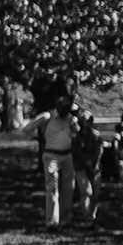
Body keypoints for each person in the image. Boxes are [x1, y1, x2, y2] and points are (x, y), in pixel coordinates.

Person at [24, 96, 78, 229]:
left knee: (68, 188)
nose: (68, 112)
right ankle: (52, 222)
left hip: (67, 155)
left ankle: (66, 219)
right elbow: (27, 129)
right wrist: (39, 137)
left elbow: (77, 133)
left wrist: (75, 125)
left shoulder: (70, 119)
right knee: (52, 188)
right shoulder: (47, 117)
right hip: (51, 155)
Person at [72, 111, 103, 225]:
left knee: (95, 195)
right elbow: (77, 153)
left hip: (95, 168)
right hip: (81, 167)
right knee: (86, 192)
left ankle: (93, 215)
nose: (87, 123)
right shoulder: (76, 137)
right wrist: (86, 163)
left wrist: (94, 164)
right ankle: (87, 219)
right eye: (85, 120)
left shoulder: (96, 135)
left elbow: (99, 151)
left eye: (89, 120)